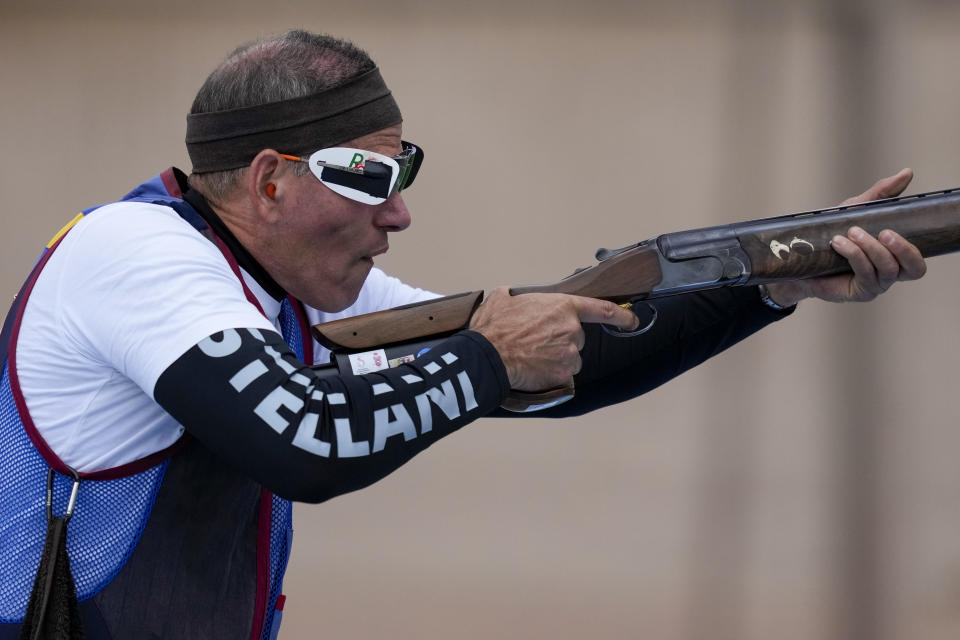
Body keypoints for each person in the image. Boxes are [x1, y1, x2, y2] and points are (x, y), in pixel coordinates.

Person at [0, 30, 925, 640]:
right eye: (369, 176)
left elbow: (576, 352)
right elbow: (306, 443)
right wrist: (486, 358)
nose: (398, 213)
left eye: (404, 171)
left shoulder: (285, 288)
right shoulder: (135, 252)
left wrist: (772, 284)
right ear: (272, 182)